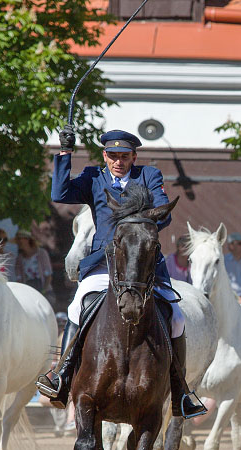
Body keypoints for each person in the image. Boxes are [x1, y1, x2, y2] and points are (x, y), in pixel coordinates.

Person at [36, 127, 206, 418]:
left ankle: (180, 390)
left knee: (176, 317)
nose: (118, 161)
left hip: (142, 264)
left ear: (133, 157)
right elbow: (60, 193)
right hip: (105, 263)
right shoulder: (94, 177)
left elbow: (163, 213)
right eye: (112, 155)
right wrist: (64, 153)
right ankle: (62, 375)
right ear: (105, 155)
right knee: (77, 307)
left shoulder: (148, 176)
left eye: (124, 156)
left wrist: (140, 230)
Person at [14, 230, 53, 295]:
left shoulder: (41, 253)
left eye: (20, 239)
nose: (18, 242)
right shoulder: (19, 258)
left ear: (27, 240)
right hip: (28, 288)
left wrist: (44, 290)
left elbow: (48, 275)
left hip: (42, 287)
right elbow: (19, 278)